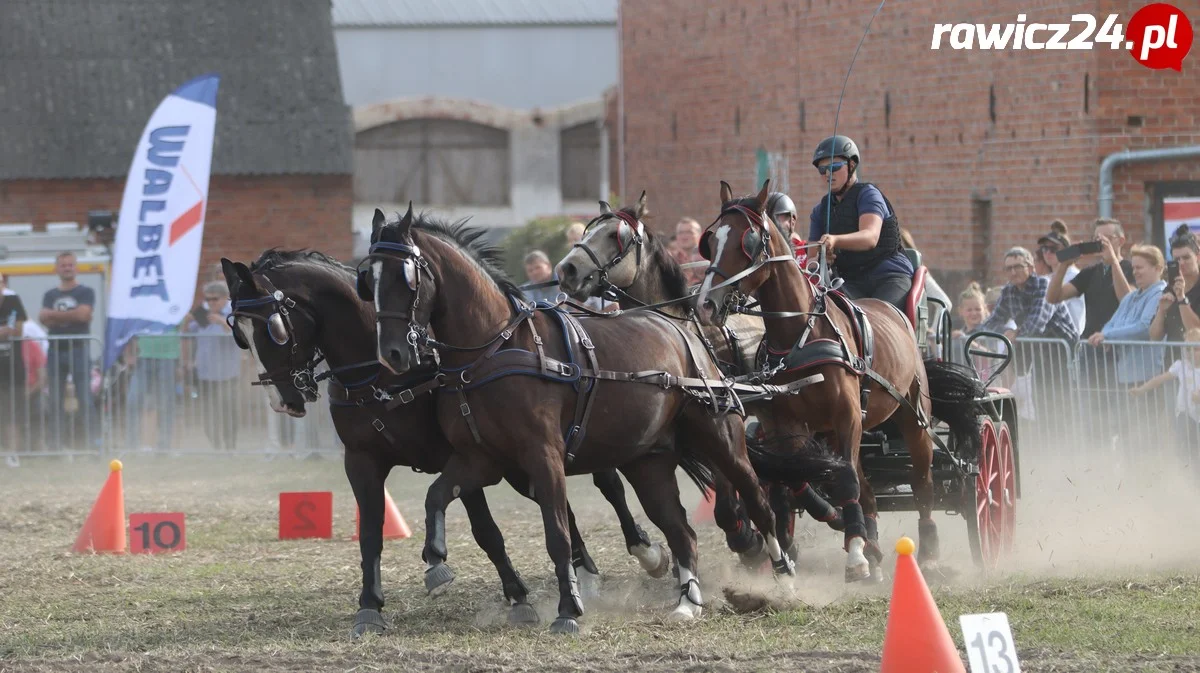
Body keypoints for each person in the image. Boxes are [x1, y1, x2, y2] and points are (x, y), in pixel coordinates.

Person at [808, 135, 914, 312]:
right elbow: (812, 257)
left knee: (880, 320)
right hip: (850, 282)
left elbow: (870, 237)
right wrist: (822, 257)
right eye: (822, 169)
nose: (828, 174)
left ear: (851, 165)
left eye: (834, 167)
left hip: (889, 276)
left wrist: (834, 241)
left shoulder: (868, 195)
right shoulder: (820, 211)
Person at [39, 251, 98, 448]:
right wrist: (71, 314)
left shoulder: (86, 292)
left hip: (79, 350)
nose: (67, 268)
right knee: (55, 401)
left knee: (85, 399)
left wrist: (55, 315)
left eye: (70, 264)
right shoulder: (49, 295)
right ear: (56, 269)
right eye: (63, 265)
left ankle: (91, 445)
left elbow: (83, 315)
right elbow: (43, 319)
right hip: (55, 350)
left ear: (76, 267)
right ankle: (56, 447)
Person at [1130, 327, 1200, 475]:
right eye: (1187, 348)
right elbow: (1160, 379)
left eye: (1195, 349)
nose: (1190, 353)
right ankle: (1185, 474)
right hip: (1184, 414)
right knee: (1184, 446)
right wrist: (1142, 389)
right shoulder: (1181, 365)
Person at [184, 282, 243, 450]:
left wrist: (223, 323)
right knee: (209, 415)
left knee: (228, 414)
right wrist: (187, 321)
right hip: (206, 374)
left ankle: (230, 447)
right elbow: (186, 332)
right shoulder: (203, 315)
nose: (210, 303)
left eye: (214, 299)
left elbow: (241, 338)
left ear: (225, 298)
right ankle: (215, 446)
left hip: (228, 374)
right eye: (208, 299)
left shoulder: (233, 315)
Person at [1149, 225, 1200, 359]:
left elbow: (1196, 332)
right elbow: (1154, 336)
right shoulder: (1169, 288)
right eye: (1177, 259)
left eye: (1186, 257)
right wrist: (1161, 311)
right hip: (1172, 366)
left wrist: (1181, 298)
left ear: (1197, 257)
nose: (1181, 263)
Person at [1037, 220, 1085, 336]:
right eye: (1044, 249)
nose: (1048, 253)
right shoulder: (1046, 278)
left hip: (1070, 339)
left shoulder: (1075, 276)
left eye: (1053, 249)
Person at [1, 273, 28, 450]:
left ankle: (13, 453)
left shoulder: (13, 301)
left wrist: (8, 330)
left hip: (12, 368)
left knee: (12, 414)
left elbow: (17, 330)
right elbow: (9, 329)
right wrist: (5, 330)